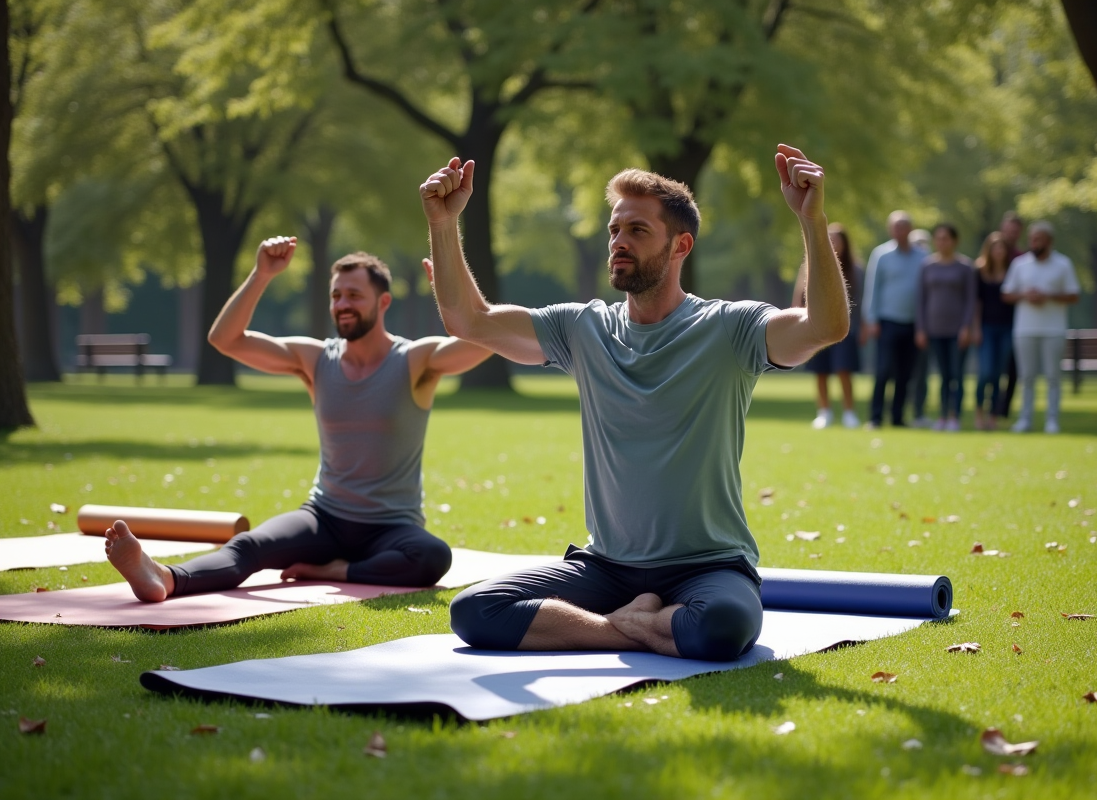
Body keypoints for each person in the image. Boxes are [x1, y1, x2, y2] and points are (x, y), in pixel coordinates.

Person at [421, 145, 847, 661]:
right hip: (607, 567)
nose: (618, 243)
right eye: (614, 231)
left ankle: (627, 622)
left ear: (680, 245)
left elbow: (825, 326)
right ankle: (635, 625)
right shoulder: (582, 327)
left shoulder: (731, 327)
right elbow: (470, 321)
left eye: (638, 231)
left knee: (722, 628)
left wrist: (812, 220)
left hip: (708, 565)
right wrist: (443, 223)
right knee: (476, 609)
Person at [103, 240, 492, 602]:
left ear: (384, 301)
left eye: (354, 295)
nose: (343, 304)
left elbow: (485, 338)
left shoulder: (415, 361)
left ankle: (339, 569)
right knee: (248, 546)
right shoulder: (315, 359)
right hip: (324, 518)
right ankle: (164, 577)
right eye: (336, 295)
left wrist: (450, 287)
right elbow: (225, 339)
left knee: (432, 556)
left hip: (391, 527)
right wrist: (262, 275)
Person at [1001, 221, 1080, 434]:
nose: (1034, 243)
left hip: (1053, 329)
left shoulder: (1063, 264)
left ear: (1049, 241)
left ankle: (1052, 420)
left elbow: (1074, 294)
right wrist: (1026, 295)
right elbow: (1007, 293)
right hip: (1024, 330)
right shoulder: (1020, 264)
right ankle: (1025, 419)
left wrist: (1049, 296)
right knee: (1026, 377)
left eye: (1038, 240)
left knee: (1053, 376)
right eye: (1032, 239)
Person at [861, 211, 926, 428]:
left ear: (910, 229)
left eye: (904, 227)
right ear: (891, 230)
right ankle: (876, 417)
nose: (900, 231)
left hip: (914, 323)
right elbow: (873, 288)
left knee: (905, 373)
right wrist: (871, 319)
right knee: (883, 370)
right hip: (887, 321)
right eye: (896, 227)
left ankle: (898, 417)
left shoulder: (923, 257)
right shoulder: (881, 254)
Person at [915, 223, 976, 431]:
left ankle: (955, 416)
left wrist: (966, 327)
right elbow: (921, 300)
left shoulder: (965, 267)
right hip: (934, 330)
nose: (942, 242)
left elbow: (970, 300)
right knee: (942, 376)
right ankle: (942, 416)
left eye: (946, 238)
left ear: (954, 241)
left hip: (957, 331)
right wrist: (921, 329)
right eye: (938, 238)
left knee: (956, 375)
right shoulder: (927, 266)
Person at [801, 223, 863, 429]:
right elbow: (800, 297)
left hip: (845, 329)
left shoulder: (856, 269)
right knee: (821, 371)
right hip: (817, 328)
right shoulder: (811, 265)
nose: (834, 243)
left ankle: (849, 413)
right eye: (830, 238)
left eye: (837, 239)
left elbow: (861, 301)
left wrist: (862, 326)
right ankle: (824, 412)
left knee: (844, 370)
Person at [973, 232, 1015, 430]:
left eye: (1002, 248)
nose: (999, 251)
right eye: (995, 247)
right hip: (986, 328)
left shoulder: (1013, 271)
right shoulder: (979, 271)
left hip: (1007, 328)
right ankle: (979, 412)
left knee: (999, 375)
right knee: (985, 373)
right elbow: (976, 303)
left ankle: (993, 417)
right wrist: (976, 328)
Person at [995, 211, 1024, 417]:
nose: (1010, 234)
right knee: (993, 367)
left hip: (1017, 320)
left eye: (1014, 231)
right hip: (993, 320)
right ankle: (993, 406)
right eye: (1007, 230)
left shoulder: (1023, 260)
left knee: (1013, 368)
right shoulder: (989, 258)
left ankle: (1004, 408)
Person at [907, 228, 934, 428]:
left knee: (922, 372)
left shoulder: (931, 266)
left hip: (925, 327)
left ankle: (918, 411)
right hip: (902, 324)